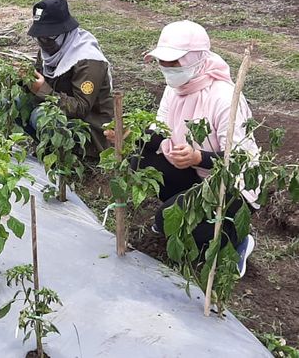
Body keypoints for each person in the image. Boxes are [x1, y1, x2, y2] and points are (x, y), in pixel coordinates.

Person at [109, 20, 257, 277]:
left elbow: (239, 159)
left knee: (167, 218)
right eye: (162, 62)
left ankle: (235, 239)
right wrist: (130, 135)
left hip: (229, 185)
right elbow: (159, 136)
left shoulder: (224, 97)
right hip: (194, 173)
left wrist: (199, 157)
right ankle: (184, 214)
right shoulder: (175, 88)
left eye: (173, 62)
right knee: (139, 160)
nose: (166, 68)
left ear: (196, 59)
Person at [23, 0, 113, 156]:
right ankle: (47, 147)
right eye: (40, 37)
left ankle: (71, 155)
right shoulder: (51, 50)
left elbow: (82, 108)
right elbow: (39, 78)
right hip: (63, 113)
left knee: (41, 116)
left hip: (91, 129)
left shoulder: (87, 60)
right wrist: (25, 80)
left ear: (65, 32)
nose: (43, 42)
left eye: (49, 37)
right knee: (17, 102)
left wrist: (44, 91)